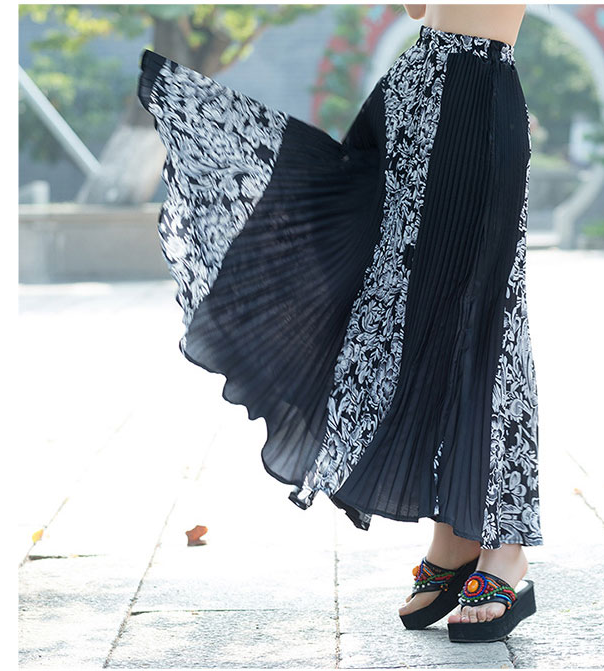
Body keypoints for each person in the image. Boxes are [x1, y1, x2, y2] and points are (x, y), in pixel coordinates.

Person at [137, 1, 540, 644]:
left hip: (465, 97)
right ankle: (460, 534)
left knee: (485, 319)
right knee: (423, 316)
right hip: (423, 98)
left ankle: (503, 542)